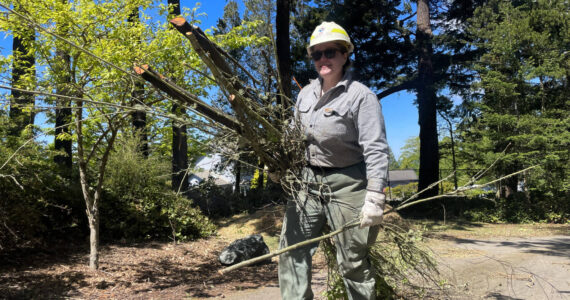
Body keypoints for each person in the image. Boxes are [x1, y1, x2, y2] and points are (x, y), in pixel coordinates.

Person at [278, 21, 389, 300]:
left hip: (349, 182)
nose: (323, 59)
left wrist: (375, 195)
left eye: (330, 52)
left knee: (352, 261)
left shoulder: (361, 96)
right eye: (317, 54)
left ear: (345, 55)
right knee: (291, 251)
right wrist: (280, 164)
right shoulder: (304, 94)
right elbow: (293, 138)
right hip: (307, 181)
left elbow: (375, 148)